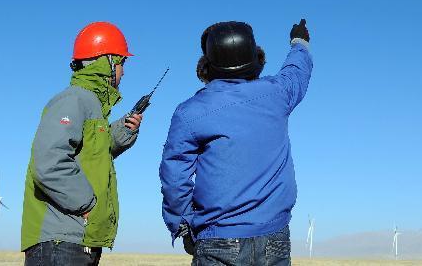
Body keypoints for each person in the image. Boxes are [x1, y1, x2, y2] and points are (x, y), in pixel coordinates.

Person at [161, 19, 313, 266]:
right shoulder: (278, 94)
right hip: (274, 240)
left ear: (207, 65)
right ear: (256, 59)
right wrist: (299, 41)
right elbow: (297, 70)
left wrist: (184, 225)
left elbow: (175, 178)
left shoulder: (189, 112)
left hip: (217, 239)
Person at [21, 22, 145, 265]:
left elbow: (90, 156)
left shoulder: (92, 106)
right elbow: (48, 162)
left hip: (75, 240)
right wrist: (88, 205)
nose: (123, 72)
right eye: (121, 63)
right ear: (106, 62)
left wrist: (121, 133)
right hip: (60, 241)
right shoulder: (74, 99)